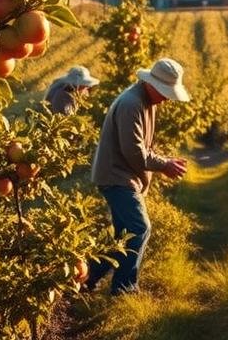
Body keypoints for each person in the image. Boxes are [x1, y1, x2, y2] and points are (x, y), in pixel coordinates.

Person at [86, 58, 191, 295]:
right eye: (165, 92)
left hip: (122, 176)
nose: (166, 99)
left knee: (124, 235)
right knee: (140, 227)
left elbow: (143, 147)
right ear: (151, 84)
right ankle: (124, 287)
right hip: (116, 177)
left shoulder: (145, 101)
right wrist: (164, 165)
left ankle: (89, 276)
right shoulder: (131, 104)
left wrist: (164, 162)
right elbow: (133, 152)